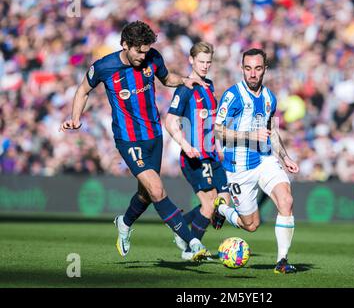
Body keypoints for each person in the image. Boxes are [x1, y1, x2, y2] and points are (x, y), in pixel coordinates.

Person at [60, 21, 211, 261]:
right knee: (157, 189)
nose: (143, 55)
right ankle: (191, 242)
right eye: (139, 50)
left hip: (154, 135)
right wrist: (75, 118)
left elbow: (166, 78)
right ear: (125, 45)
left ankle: (124, 222)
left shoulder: (153, 57)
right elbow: (82, 90)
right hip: (128, 139)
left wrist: (183, 80)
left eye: (146, 50)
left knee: (145, 193)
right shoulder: (104, 66)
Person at [213, 48, 299, 274]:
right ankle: (222, 209)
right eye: (248, 68)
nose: (252, 74)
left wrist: (285, 156)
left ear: (265, 70)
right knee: (251, 225)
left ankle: (281, 261)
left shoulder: (270, 97)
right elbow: (218, 132)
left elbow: (272, 131)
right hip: (239, 168)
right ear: (242, 69)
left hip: (265, 160)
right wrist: (249, 136)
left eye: (257, 69)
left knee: (286, 201)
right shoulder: (233, 96)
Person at [165, 41, 229, 260]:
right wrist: (185, 145)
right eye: (201, 61)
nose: (204, 66)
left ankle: (181, 227)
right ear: (191, 60)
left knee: (223, 203)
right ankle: (190, 248)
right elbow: (170, 121)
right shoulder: (185, 88)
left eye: (208, 62)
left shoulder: (209, 86)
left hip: (213, 155)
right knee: (209, 204)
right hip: (194, 156)